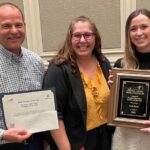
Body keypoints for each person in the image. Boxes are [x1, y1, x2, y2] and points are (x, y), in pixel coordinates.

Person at [43, 16, 114, 150]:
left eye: (87, 35)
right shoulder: (58, 69)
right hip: (76, 142)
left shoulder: (103, 63)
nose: (82, 40)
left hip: (105, 138)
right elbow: (53, 114)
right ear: (70, 39)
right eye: (77, 35)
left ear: (95, 37)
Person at [0, 2, 45, 150]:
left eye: (18, 25)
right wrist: (3, 134)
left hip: (35, 142)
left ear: (25, 26)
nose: (14, 31)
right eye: (6, 26)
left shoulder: (36, 61)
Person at [111, 8, 150, 150]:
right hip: (125, 139)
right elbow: (114, 109)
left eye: (144, 27)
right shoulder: (121, 65)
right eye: (133, 29)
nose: (139, 33)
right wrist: (114, 91)